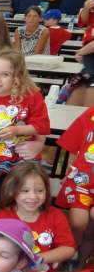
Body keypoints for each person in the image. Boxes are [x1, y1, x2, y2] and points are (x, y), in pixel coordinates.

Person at [0, 49, 50, 187]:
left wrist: (16, 130)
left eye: (5, 74)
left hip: (24, 155)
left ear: (17, 77)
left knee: (26, 190)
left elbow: (42, 126)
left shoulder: (31, 96)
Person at [0, 162, 75, 272]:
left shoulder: (55, 215)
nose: (33, 196)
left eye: (40, 190)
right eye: (25, 190)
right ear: (11, 191)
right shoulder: (3, 217)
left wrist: (37, 258)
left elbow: (68, 249)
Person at [54, 105, 94, 262]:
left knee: (91, 228)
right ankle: (71, 254)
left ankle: (80, 263)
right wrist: (68, 172)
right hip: (81, 179)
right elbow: (72, 144)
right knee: (78, 221)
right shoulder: (91, 113)